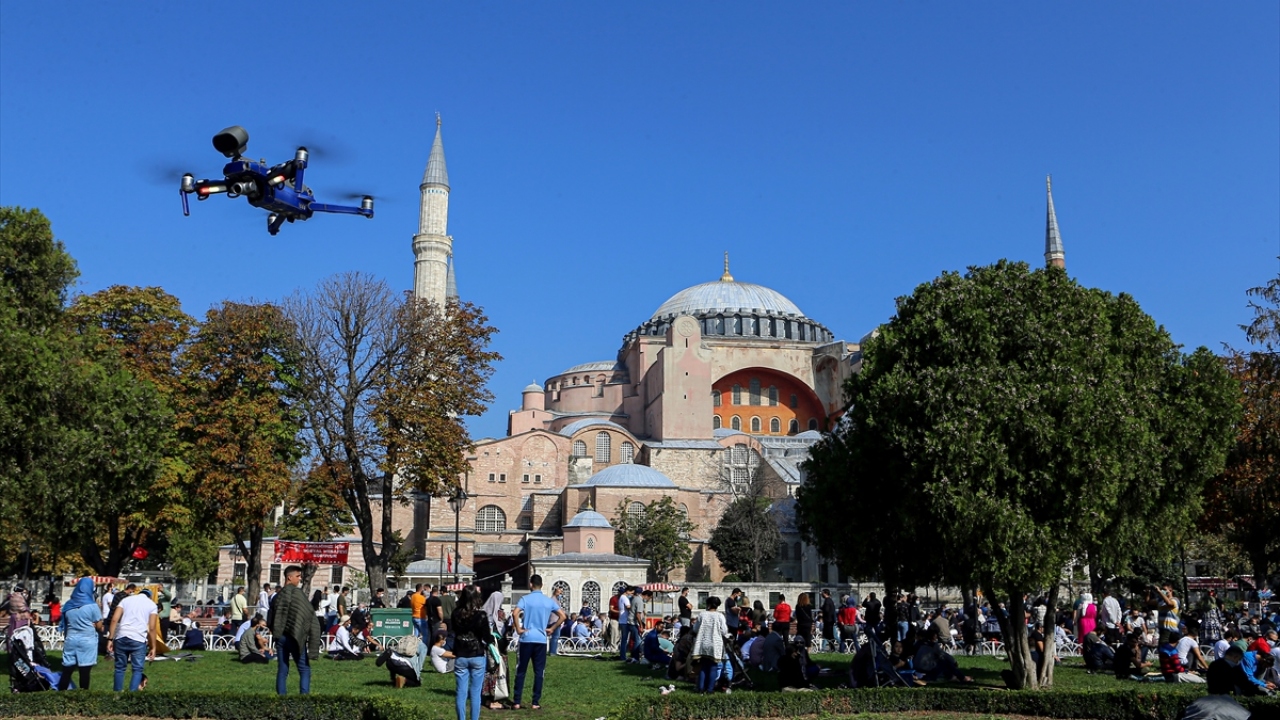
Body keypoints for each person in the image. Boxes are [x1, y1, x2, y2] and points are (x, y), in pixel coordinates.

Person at [511, 575, 565, 710]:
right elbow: (563, 616)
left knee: (521, 670)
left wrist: (518, 628)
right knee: (539, 671)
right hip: (541, 639)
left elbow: (515, 613)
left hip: (526, 638)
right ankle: (535, 702)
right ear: (542, 585)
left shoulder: (525, 599)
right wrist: (552, 628)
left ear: (530, 584)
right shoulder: (548, 601)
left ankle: (517, 701)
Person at [270, 565, 321, 696]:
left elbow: (270, 619)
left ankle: (281, 697)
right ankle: (304, 697)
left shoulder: (276, 596)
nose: (300, 579)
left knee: (283, 669)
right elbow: (309, 614)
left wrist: (275, 631)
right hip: (295, 637)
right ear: (289, 577)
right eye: (298, 576)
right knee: (304, 669)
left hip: (280, 637)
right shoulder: (298, 595)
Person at [56, 577, 102, 691]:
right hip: (87, 640)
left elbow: (66, 623)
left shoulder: (68, 605)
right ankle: (83, 695)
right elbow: (99, 626)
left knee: (67, 670)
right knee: (84, 671)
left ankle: (60, 694)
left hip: (71, 639)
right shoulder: (92, 606)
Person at [107, 588, 157, 692]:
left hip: (121, 635)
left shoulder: (125, 600)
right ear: (150, 597)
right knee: (137, 669)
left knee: (119, 668)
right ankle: (132, 694)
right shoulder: (152, 605)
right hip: (138, 638)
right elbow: (152, 628)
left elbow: (114, 619)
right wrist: (153, 647)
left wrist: (110, 638)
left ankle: (117, 694)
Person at [691, 596, 729, 692]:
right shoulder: (720, 616)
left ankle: (701, 688)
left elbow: (695, 628)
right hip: (715, 643)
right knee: (713, 667)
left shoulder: (702, 614)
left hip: (703, 643)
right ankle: (710, 689)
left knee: (703, 666)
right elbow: (724, 631)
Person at [618, 586, 638, 662]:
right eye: (631, 593)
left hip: (622, 620)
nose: (632, 594)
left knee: (624, 639)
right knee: (625, 639)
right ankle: (623, 656)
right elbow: (628, 607)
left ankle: (623, 655)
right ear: (628, 591)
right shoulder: (624, 598)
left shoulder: (621, 597)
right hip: (625, 621)